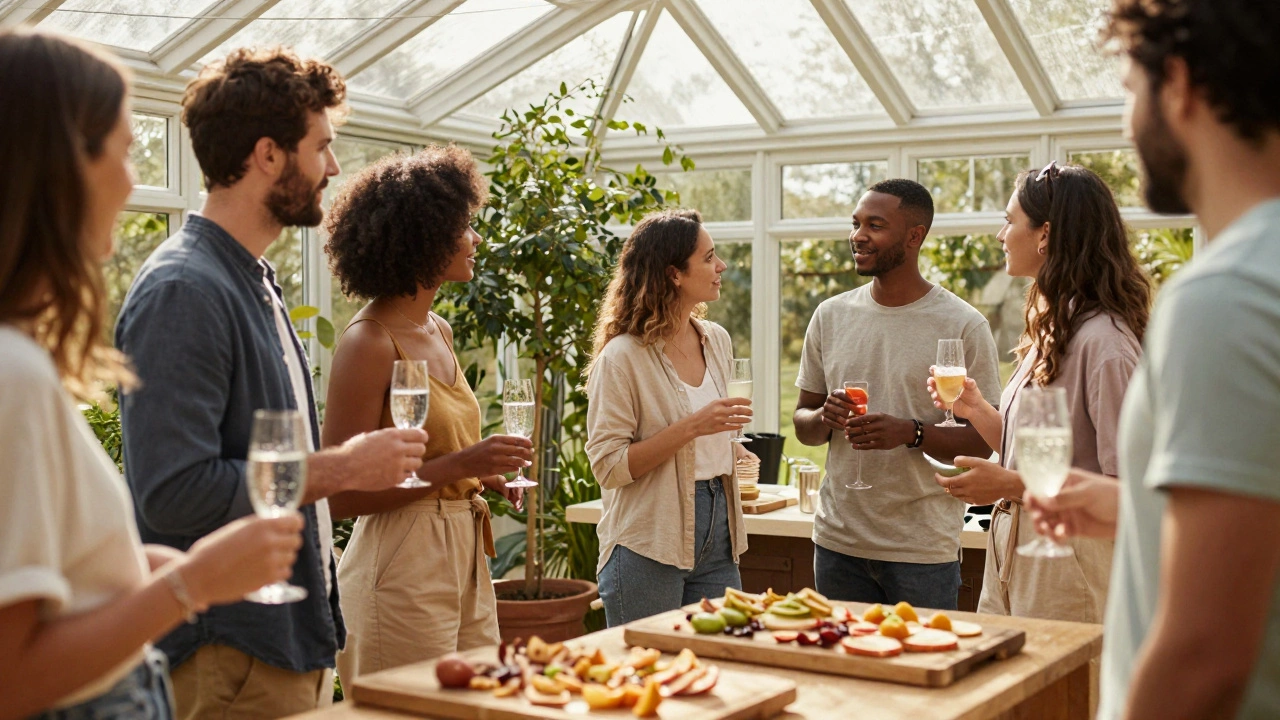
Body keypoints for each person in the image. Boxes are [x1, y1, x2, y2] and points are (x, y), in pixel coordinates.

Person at [0, 29, 306, 720]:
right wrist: (191, 584)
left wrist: (132, 574)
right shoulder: (13, 372)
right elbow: (10, 679)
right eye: (126, 148)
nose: (135, 180)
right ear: (62, 167)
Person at [115, 48, 429, 719]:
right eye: (322, 147)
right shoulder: (184, 290)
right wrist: (341, 468)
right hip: (227, 656)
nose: (334, 168)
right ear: (268, 155)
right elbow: (173, 492)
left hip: (279, 647)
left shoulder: (250, 278)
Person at [1024, 1, 1280, 717]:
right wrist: (1133, 504)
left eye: (1131, 93)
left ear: (1180, 84)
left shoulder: (1228, 295)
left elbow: (1204, 658)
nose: (1126, 124)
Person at [320, 147, 534, 681]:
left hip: (464, 552)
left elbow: (434, 452)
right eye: (463, 227)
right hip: (401, 560)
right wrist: (460, 466)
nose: (476, 238)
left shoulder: (439, 330)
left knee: (477, 706)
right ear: (423, 236)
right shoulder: (368, 343)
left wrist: (482, 474)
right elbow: (339, 495)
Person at [924, 164, 1149, 623]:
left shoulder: (1104, 344)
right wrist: (977, 409)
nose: (1000, 233)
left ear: (1045, 234)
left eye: (1010, 220)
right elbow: (1038, 454)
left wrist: (1008, 485)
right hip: (1013, 556)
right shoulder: (1054, 329)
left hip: (1072, 565)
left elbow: (1131, 492)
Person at [792, 178, 1000, 610]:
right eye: (856, 224)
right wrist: (823, 417)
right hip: (837, 543)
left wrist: (911, 433)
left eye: (875, 225)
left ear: (914, 236)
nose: (858, 236)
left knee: (923, 671)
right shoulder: (830, 316)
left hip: (921, 551)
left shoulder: (962, 325)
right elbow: (804, 426)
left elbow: (983, 439)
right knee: (841, 674)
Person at [585, 209, 754, 626]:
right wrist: (692, 428)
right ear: (675, 274)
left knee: (718, 664)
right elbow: (608, 467)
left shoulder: (716, 340)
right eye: (709, 257)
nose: (721, 267)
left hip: (719, 531)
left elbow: (711, 438)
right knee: (650, 669)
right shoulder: (622, 356)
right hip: (649, 538)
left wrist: (731, 455)